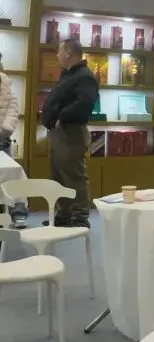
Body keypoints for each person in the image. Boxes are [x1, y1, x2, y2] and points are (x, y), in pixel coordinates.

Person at [39, 38, 98, 228]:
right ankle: (63, 214)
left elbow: (85, 103)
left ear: (68, 53)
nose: (57, 55)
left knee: (74, 175)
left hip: (71, 132)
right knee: (59, 175)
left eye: (59, 51)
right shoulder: (68, 74)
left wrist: (61, 117)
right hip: (59, 133)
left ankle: (80, 216)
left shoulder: (84, 76)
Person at [0, 70, 27, 228]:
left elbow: (13, 110)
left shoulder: (6, 85)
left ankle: (19, 214)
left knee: (12, 177)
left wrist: (4, 130)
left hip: (2, 140)